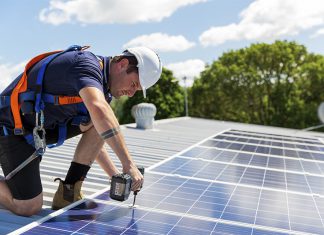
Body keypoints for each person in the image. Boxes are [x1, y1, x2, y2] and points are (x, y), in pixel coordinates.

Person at [0, 45, 162, 216]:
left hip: (33, 132)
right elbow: (100, 111)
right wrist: (128, 165)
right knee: (28, 206)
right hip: (9, 130)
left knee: (98, 121)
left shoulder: (102, 89)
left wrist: (115, 176)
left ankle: (68, 193)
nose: (130, 94)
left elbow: (99, 133)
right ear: (122, 64)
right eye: (133, 84)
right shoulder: (84, 65)